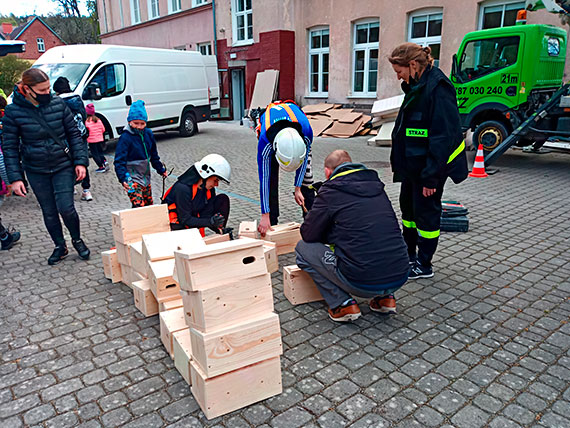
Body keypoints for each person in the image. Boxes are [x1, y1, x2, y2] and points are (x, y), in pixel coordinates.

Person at [295, 150, 410, 322]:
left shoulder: (330, 191)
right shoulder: (376, 186)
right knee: (374, 239)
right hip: (400, 274)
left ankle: (342, 304)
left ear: (328, 172)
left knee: (303, 249)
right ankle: (385, 299)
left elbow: (309, 234)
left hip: (361, 281)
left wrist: (329, 232)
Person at [389, 43, 468, 279]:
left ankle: (424, 264)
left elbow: (443, 137)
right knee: (409, 213)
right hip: (413, 168)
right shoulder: (416, 86)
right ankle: (409, 256)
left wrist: (432, 176)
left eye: (399, 71)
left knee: (426, 216)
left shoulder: (438, 88)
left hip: (429, 171)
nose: (398, 77)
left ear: (412, 65)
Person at [2, 68, 90, 265]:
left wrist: (80, 162)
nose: (47, 93)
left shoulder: (58, 104)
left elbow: (74, 134)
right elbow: (9, 146)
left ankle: (77, 240)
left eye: (48, 89)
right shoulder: (13, 111)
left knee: (66, 208)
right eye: (42, 90)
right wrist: (15, 178)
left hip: (62, 165)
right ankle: (60, 246)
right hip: (36, 169)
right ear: (27, 89)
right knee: (49, 211)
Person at [255, 100, 315, 236]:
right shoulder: (265, 143)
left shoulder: (306, 134)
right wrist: (265, 215)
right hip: (272, 133)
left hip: (297, 128)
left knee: (307, 180)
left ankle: (310, 221)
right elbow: (264, 180)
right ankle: (272, 220)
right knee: (271, 180)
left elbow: (304, 161)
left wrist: (298, 188)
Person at [114, 100, 167, 207]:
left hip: (145, 176)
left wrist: (160, 169)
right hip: (131, 177)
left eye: (142, 123)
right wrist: (123, 178)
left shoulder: (148, 134)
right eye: (136, 123)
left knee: (148, 204)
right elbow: (119, 161)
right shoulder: (125, 137)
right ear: (129, 122)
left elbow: (154, 156)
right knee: (138, 205)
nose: (139, 126)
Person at [162, 154, 231, 236]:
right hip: (175, 225)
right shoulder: (183, 189)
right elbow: (185, 219)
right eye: (215, 180)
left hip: (191, 218)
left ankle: (221, 231)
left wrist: (217, 227)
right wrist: (209, 222)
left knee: (222, 199)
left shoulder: (208, 189)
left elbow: (206, 214)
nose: (216, 185)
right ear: (206, 175)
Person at [53, 76, 94, 202]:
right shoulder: (77, 99)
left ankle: (71, 187)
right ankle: (86, 190)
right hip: (81, 135)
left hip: (65, 137)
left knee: (68, 163)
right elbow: (83, 115)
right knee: (82, 161)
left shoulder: (57, 102)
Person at [84, 103, 109, 173]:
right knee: (100, 152)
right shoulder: (98, 120)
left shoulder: (87, 122)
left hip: (92, 140)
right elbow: (103, 129)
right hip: (100, 139)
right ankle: (104, 161)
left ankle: (101, 166)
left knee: (95, 154)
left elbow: (86, 131)